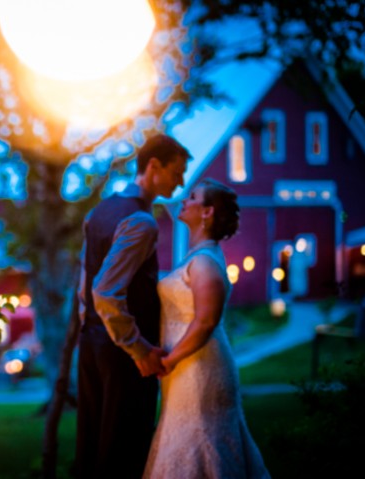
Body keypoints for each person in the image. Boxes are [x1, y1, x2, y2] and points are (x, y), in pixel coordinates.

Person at [74, 133, 191, 479]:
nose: (181, 181)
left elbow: (83, 287)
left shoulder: (99, 212)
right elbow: (105, 292)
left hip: (92, 344)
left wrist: (90, 328)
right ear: (153, 166)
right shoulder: (141, 222)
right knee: (123, 451)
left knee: (92, 445)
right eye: (177, 172)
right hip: (122, 357)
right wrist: (139, 349)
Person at [143, 178, 270, 479]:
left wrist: (169, 360)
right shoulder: (195, 258)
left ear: (207, 212)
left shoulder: (206, 264)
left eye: (192, 197)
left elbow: (205, 322)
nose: (184, 201)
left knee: (200, 439)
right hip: (184, 367)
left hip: (199, 368)